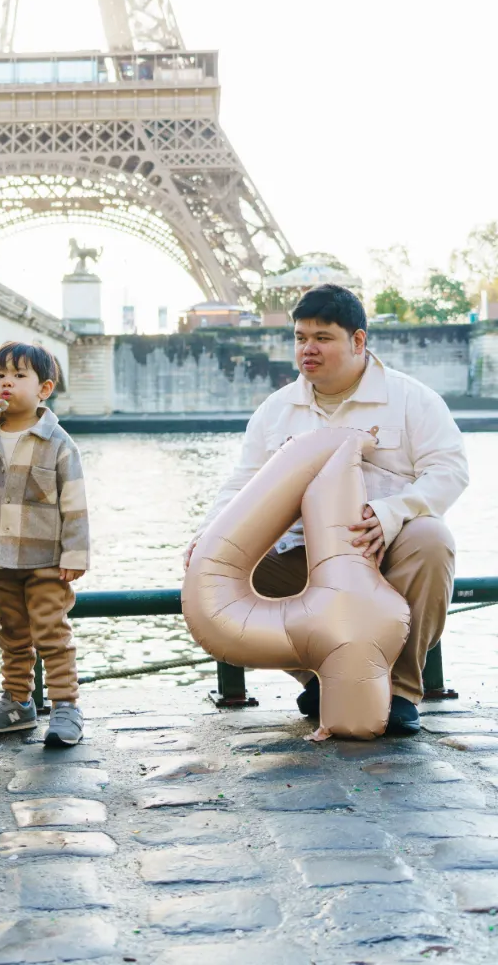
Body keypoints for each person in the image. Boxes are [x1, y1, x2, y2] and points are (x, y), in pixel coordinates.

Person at [184, 284, 469, 734]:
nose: (308, 349)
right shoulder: (275, 411)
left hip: (388, 547)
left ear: (358, 341)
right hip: (304, 555)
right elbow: (242, 484)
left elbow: (449, 471)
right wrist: (207, 536)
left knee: (433, 541)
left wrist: (391, 514)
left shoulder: (413, 399)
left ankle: (399, 692)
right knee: (219, 567)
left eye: (322, 338)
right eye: (300, 338)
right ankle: (325, 675)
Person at [0, 341, 89, 747]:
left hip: (47, 559)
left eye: (19, 376)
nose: (7, 383)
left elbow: (74, 502)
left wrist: (75, 554)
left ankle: (65, 704)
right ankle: (17, 701)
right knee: (12, 633)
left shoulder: (57, 442)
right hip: (1, 561)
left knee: (52, 632)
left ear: (44, 388)